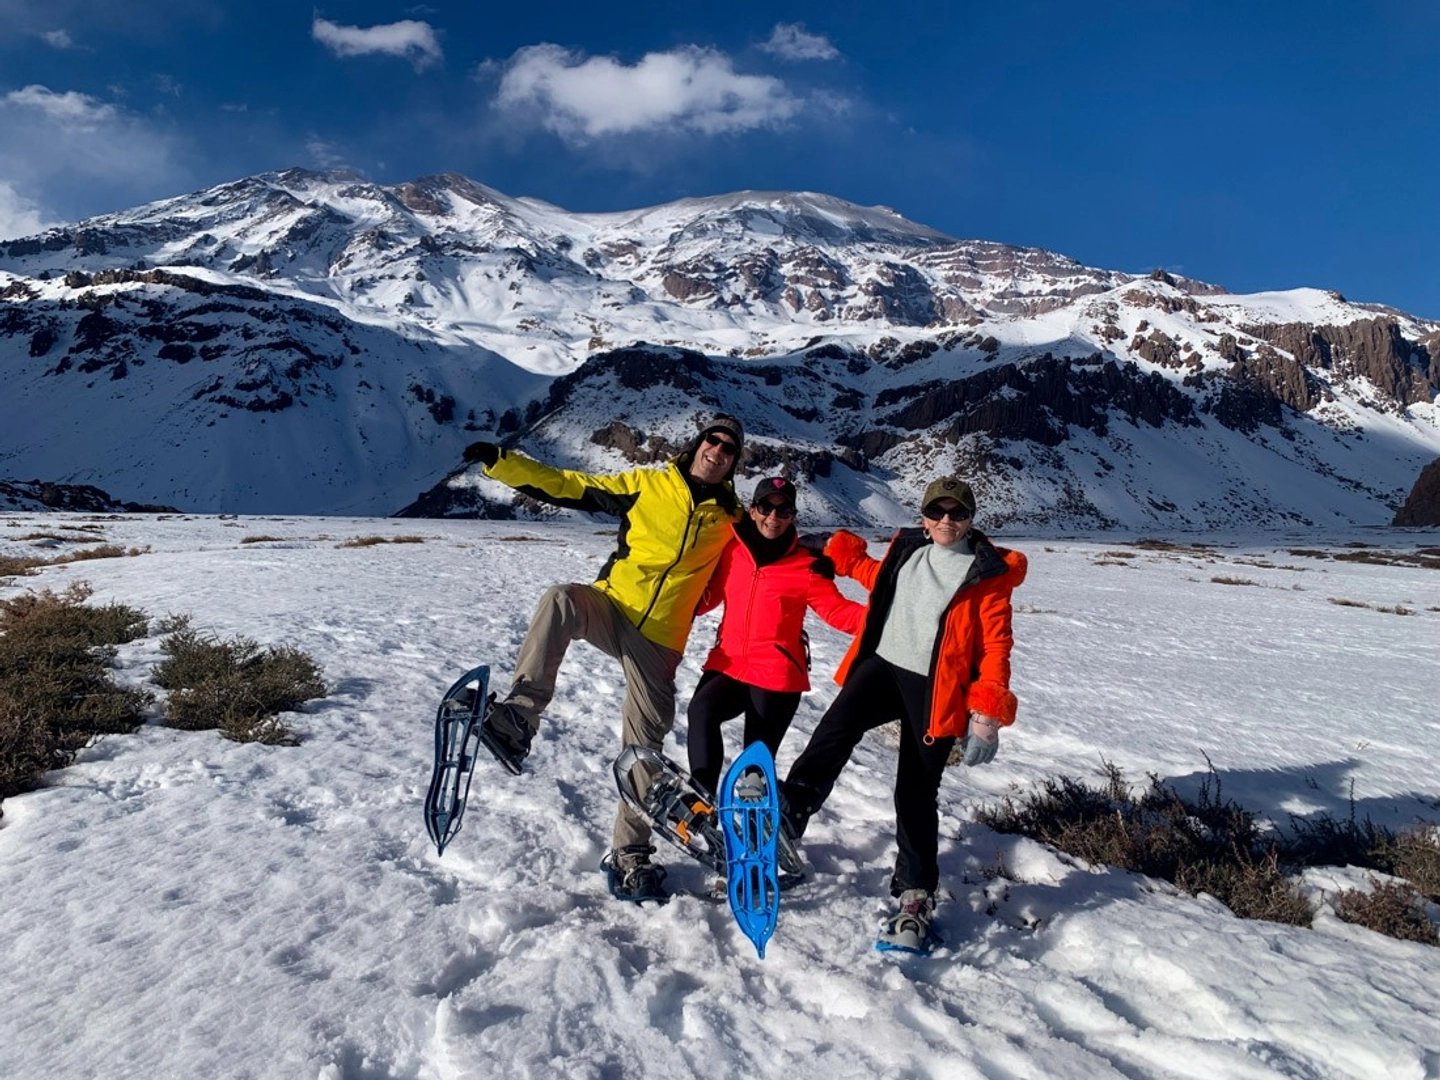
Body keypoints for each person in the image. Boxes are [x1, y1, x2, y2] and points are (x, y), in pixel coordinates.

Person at [461, 415, 745, 903]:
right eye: (711, 440)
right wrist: (502, 465)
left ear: (734, 462)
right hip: (613, 607)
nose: (716, 450)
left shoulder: (731, 518)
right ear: (696, 443)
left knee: (644, 750)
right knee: (562, 599)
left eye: (728, 448)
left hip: (659, 640)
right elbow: (573, 486)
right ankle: (517, 719)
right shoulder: (649, 484)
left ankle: (631, 854)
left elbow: (767, 551)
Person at [779, 476, 1027, 951]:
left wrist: (987, 713)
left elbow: (996, 644)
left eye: (956, 513)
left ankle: (914, 896)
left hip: (935, 689)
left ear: (971, 518)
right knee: (833, 731)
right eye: (937, 512)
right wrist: (836, 552)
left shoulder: (986, 574)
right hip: (883, 666)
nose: (946, 521)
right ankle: (788, 818)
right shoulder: (911, 547)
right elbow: (880, 577)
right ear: (923, 518)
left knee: (914, 789)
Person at [686, 476, 865, 799]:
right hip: (728, 663)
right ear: (753, 510)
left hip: (776, 676)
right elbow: (707, 597)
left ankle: (756, 831)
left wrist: (888, 619)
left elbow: (838, 612)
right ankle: (701, 799)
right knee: (701, 712)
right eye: (766, 507)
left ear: (793, 516)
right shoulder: (731, 551)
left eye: (784, 511)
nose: (774, 517)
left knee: (755, 766)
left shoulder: (807, 565)